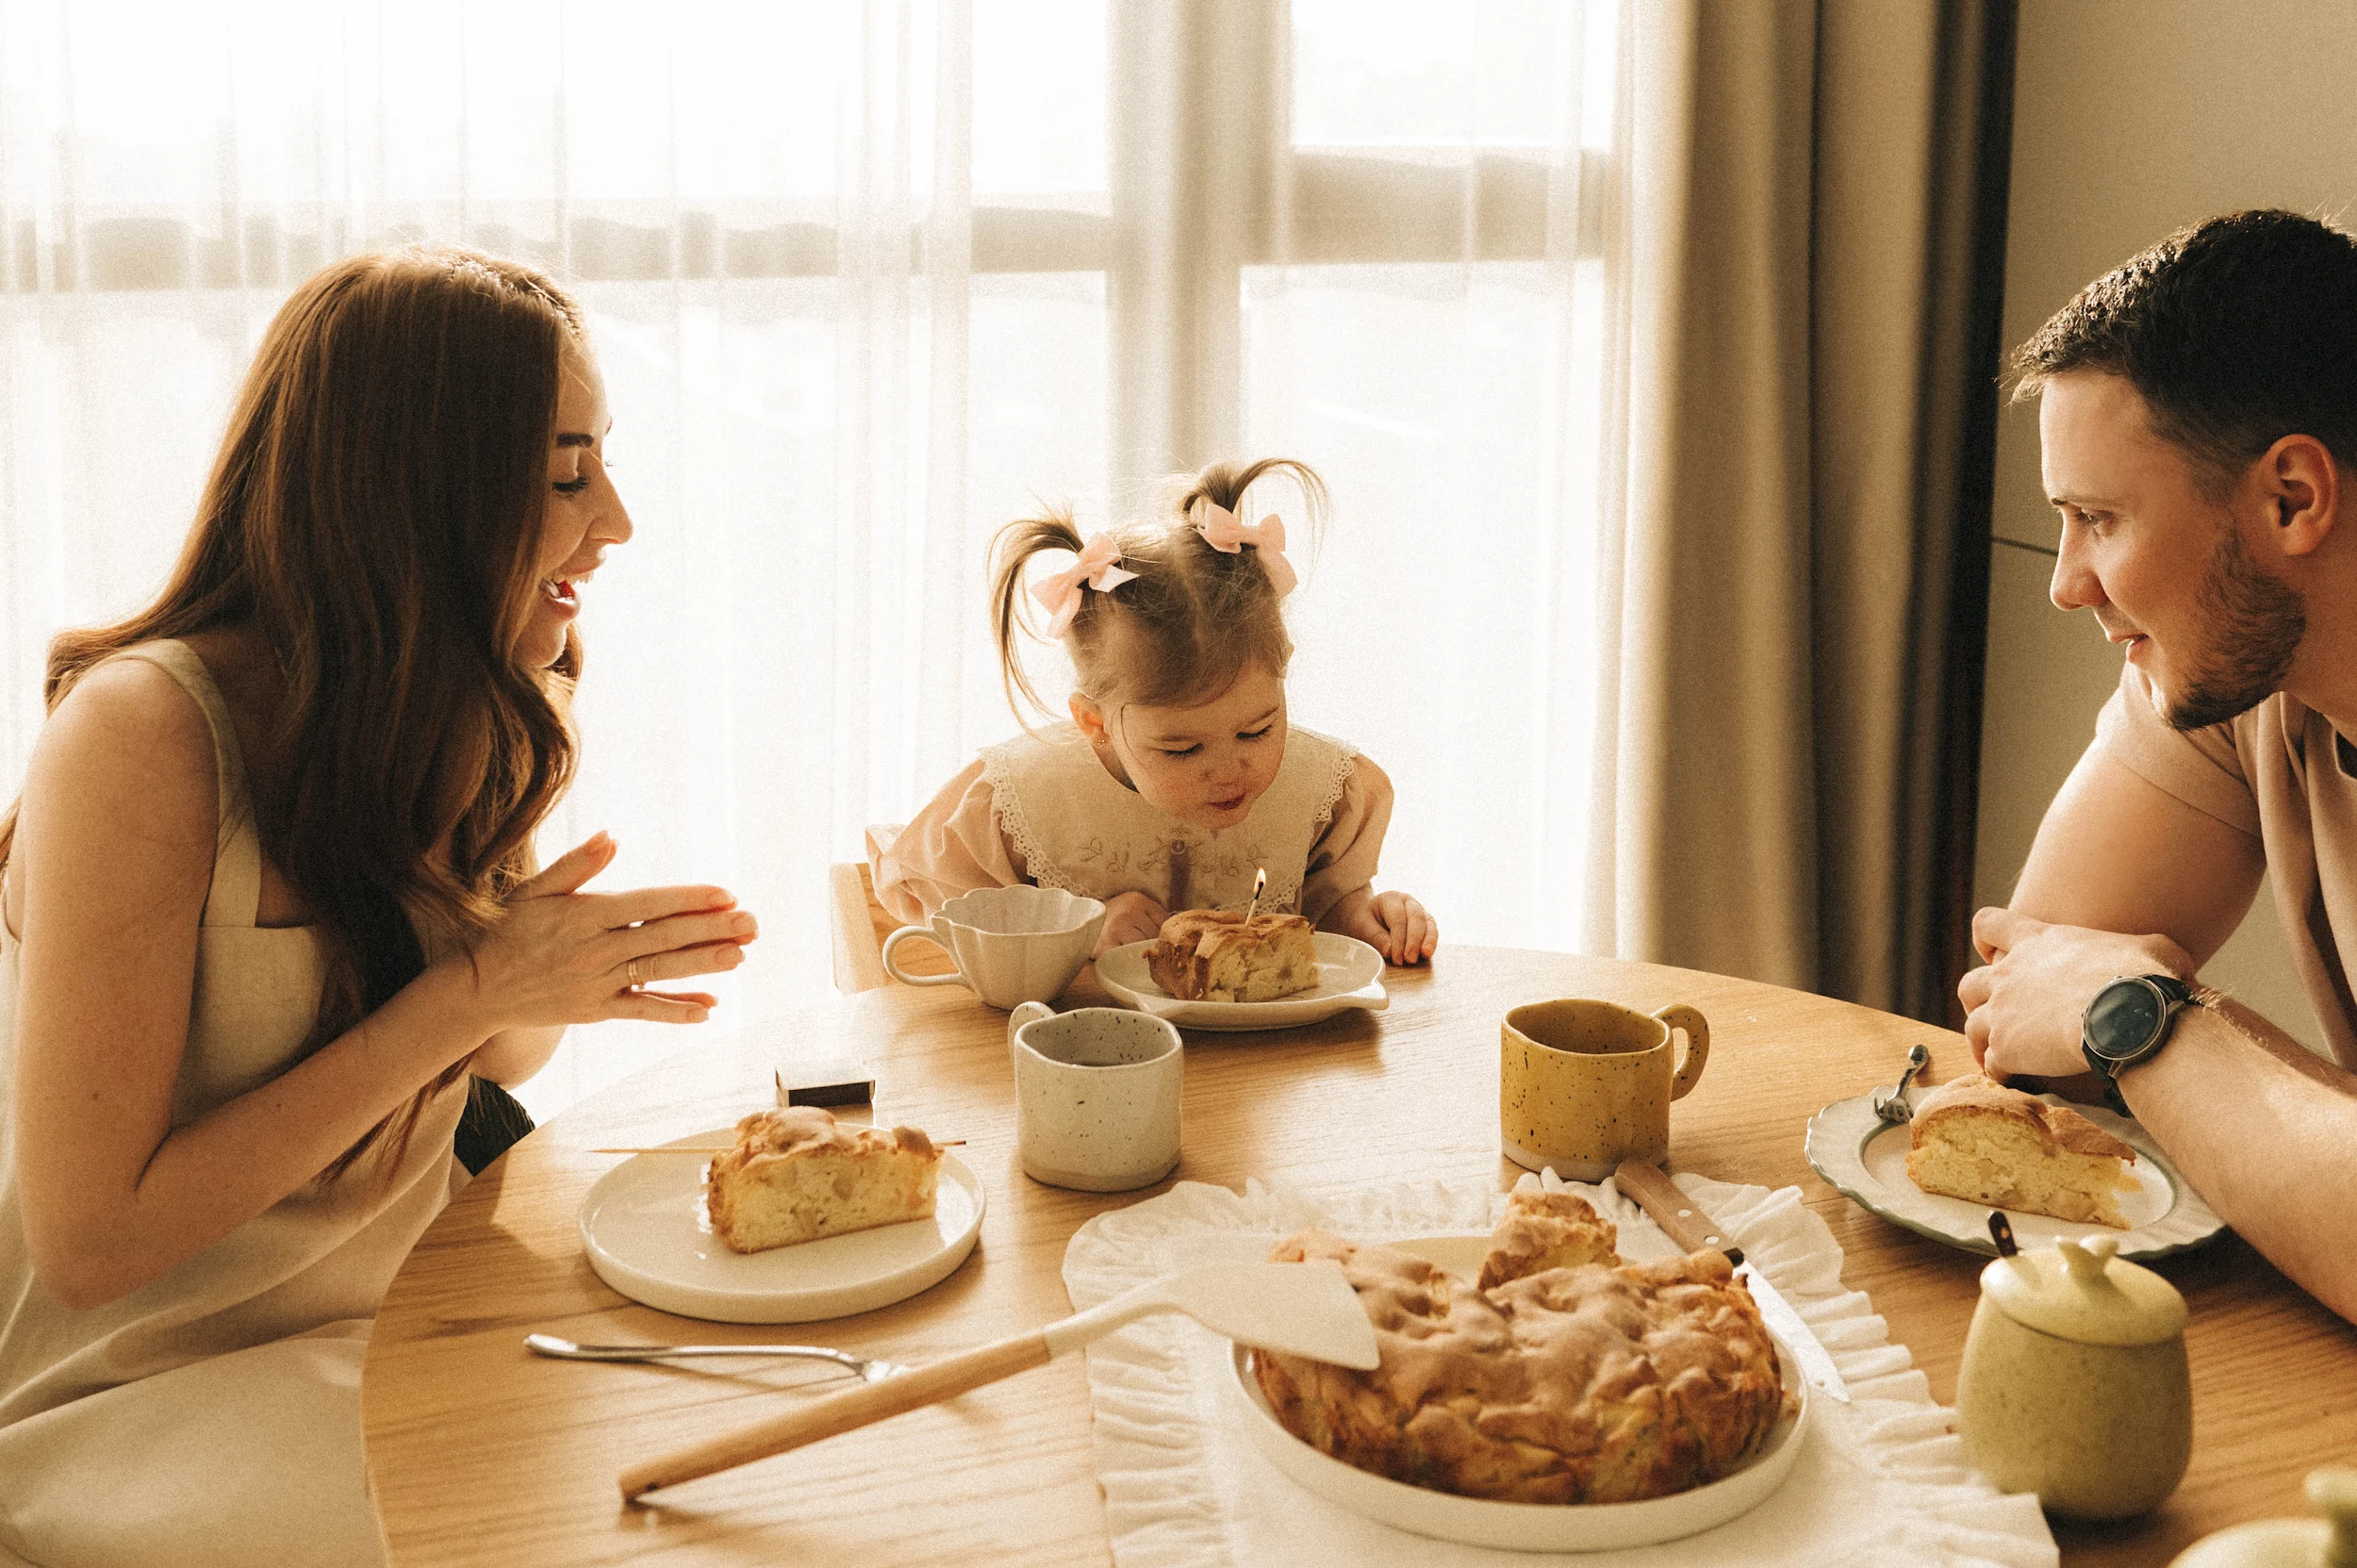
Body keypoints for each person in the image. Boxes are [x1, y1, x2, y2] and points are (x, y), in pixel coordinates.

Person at [0, 247, 758, 1566]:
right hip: (125, 1387)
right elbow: (92, 1239)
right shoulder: (145, 735)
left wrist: (534, 976)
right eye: (569, 473)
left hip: (381, 1320)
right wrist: (470, 991)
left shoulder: (458, 705)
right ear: (419, 492)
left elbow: (494, 1061)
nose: (617, 519)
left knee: (741, 1442)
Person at [1958, 209, 2357, 1324]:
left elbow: (2095, 1005)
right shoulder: (2237, 672)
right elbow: (2028, 1015)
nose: (2066, 581)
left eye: (2099, 519)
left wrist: (2148, 1019)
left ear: (2291, 498)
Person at [876, 457, 1437, 965]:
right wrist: (1080, 936)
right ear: (1095, 725)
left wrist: (1364, 919)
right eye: (1182, 748)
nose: (1228, 769)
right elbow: (965, 942)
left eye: (1257, 730)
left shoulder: (1323, 793)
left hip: (1264, 1073)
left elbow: (1328, 915)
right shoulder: (1019, 803)